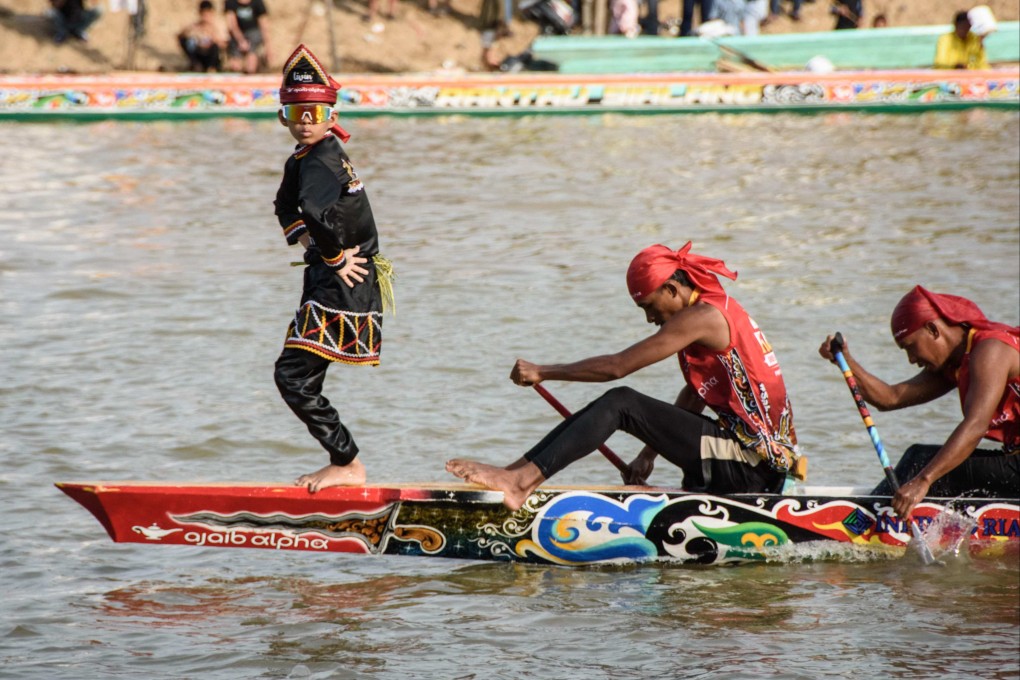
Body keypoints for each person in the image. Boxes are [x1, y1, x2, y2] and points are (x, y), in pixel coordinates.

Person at [447, 243, 804, 510]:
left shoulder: (703, 316)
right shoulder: (714, 309)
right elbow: (696, 395)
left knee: (621, 402)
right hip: (752, 461)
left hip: (754, 467)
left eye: (649, 306)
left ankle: (520, 482)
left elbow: (618, 366)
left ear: (672, 289)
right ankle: (514, 473)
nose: (650, 318)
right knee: (625, 404)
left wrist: (545, 372)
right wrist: (649, 456)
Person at [272, 44, 394, 493]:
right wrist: (311, 245)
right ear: (283, 115)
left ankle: (347, 462)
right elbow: (287, 206)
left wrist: (336, 257)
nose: (305, 120)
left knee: (292, 376)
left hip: (344, 281)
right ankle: (344, 460)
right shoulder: (306, 158)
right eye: (296, 110)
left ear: (330, 114)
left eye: (314, 111)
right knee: (299, 377)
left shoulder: (322, 157)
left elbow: (311, 208)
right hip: (330, 277)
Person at [818, 286, 1019, 518]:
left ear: (933, 329)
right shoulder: (956, 364)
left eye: (910, 347)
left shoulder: (990, 349)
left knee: (921, 461)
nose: (912, 359)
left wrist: (924, 480)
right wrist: (844, 360)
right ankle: (881, 515)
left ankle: (862, 523)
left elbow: (976, 425)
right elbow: (889, 398)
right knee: (922, 459)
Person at [178, 1, 227, 73]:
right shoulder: (196, 26)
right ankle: (196, 64)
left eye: (207, 14)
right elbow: (181, 37)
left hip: (211, 55)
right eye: (203, 14)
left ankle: (212, 67)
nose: (205, 17)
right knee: (188, 42)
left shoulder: (218, 25)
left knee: (215, 48)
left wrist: (213, 36)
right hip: (199, 53)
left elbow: (224, 44)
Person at [225, 0, 272, 74]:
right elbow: (232, 25)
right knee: (235, 66)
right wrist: (241, 40)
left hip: (253, 36)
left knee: (250, 65)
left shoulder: (257, 3)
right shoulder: (231, 2)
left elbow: (264, 26)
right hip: (236, 36)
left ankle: (254, 65)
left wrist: (268, 48)